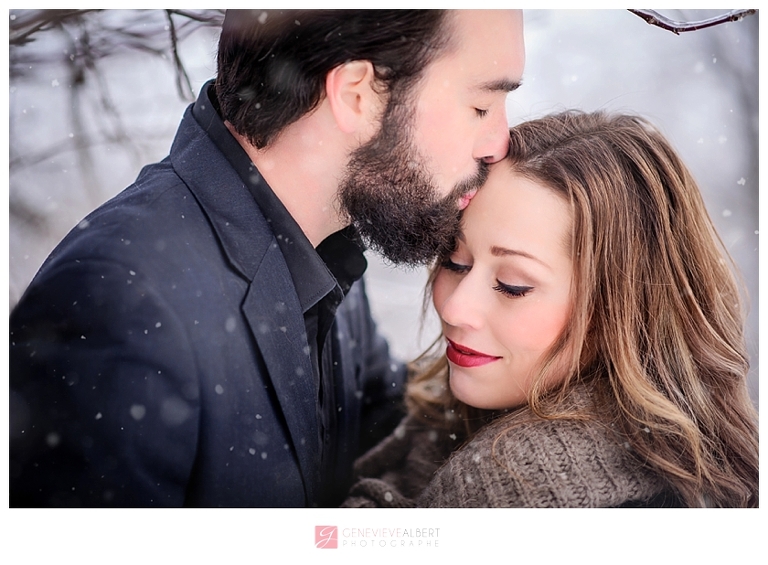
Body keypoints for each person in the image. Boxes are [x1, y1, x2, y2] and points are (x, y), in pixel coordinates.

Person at [9, 9, 526, 507]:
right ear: (358, 95)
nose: (498, 144)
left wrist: (569, 431)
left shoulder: (326, 245)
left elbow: (392, 436)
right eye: (481, 107)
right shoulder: (119, 304)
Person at [342, 110, 759, 508]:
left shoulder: (527, 497)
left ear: (619, 312)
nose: (454, 307)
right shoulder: (436, 427)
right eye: (455, 262)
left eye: (513, 286)